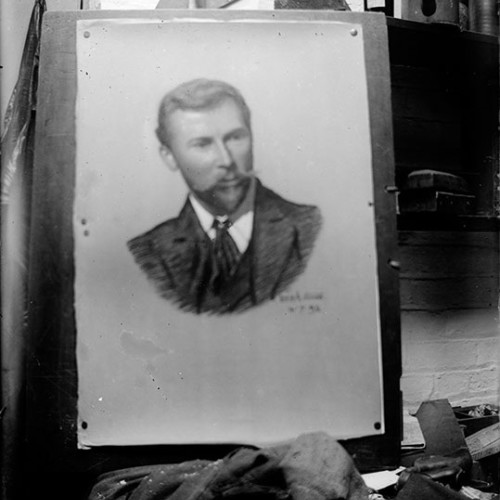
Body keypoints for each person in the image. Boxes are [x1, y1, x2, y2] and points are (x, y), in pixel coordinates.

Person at [127, 78, 322, 314]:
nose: (227, 161)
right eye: (202, 144)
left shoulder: (311, 229)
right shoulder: (145, 254)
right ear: (169, 156)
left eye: (235, 137)